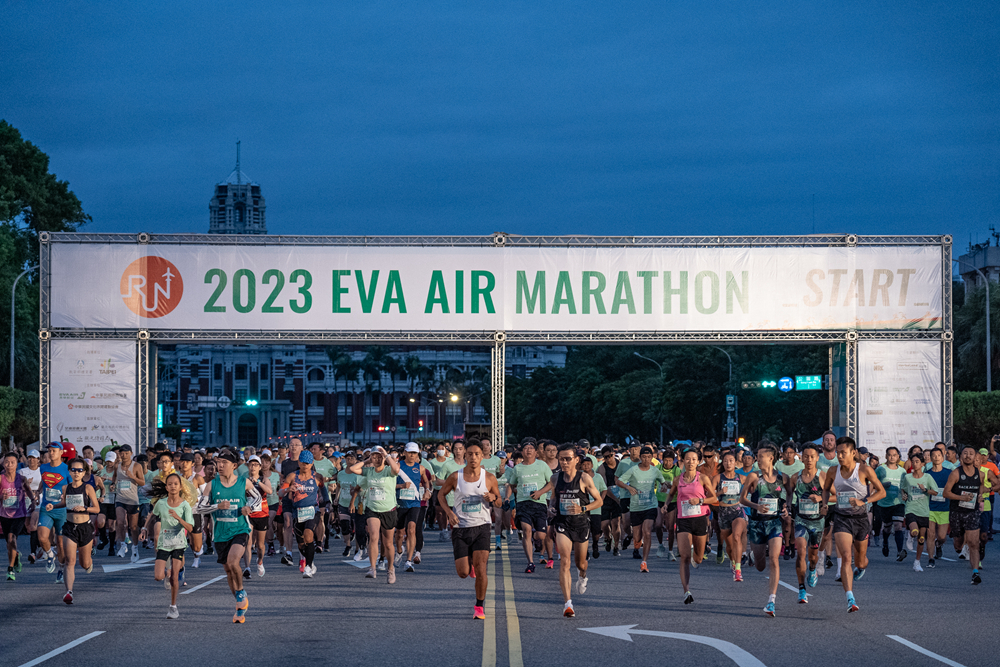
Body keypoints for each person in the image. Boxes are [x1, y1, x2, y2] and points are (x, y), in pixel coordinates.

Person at [532, 444, 602, 617]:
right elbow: (554, 500)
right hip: (563, 524)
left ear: (576, 460)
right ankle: (568, 604)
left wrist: (583, 509)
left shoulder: (584, 478)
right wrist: (551, 514)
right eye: (561, 459)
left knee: (581, 564)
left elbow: (599, 501)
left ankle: (583, 576)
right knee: (564, 561)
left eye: (568, 459)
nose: (564, 462)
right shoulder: (556, 479)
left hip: (581, 524)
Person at [438, 439, 501, 620]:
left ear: (482, 456)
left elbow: (499, 502)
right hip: (461, 528)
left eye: (476, 454)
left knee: (482, 569)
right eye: (470, 454)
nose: (473, 457)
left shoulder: (489, 478)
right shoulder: (455, 477)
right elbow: (441, 495)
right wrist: (449, 513)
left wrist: (492, 497)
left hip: (482, 526)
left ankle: (479, 606)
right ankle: (470, 563)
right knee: (463, 573)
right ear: (465, 455)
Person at [196, 449, 261, 623]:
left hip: (240, 529)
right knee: (228, 571)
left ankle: (241, 593)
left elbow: (258, 499)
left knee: (233, 562)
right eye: (218, 462)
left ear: (234, 466)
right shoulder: (212, 485)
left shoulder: (243, 482)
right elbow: (199, 508)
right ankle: (240, 607)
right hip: (220, 533)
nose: (220, 465)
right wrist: (217, 507)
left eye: (224, 463)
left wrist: (250, 508)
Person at [822, 436, 886, 612]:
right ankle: (850, 597)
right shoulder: (832, 471)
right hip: (842, 518)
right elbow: (826, 489)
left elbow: (882, 492)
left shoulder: (864, 470)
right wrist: (825, 504)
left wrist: (863, 501)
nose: (839, 456)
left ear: (853, 453)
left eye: (843, 453)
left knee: (860, 561)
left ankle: (861, 567)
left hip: (861, 520)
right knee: (845, 556)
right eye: (837, 453)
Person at [740, 444, 789, 616]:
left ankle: (771, 600)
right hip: (756, 524)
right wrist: (756, 506)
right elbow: (742, 498)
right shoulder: (754, 476)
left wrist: (786, 509)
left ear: (771, 458)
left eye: (760, 456)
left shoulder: (782, 478)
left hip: (774, 522)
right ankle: (755, 555)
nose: (757, 459)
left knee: (774, 559)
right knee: (760, 566)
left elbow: (787, 498)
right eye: (757, 456)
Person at [666, 448, 717, 605]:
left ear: (698, 461)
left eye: (694, 459)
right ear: (682, 461)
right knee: (685, 557)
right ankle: (686, 590)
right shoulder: (677, 479)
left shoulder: (702, 478)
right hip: (683, 520)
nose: (690, 462)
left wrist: (700, 501)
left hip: (700, 519)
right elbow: (671, 494)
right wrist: (666, 504)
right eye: (687, 459)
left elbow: (714, 497)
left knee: (699, 559)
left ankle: (697, 552)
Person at [942, 444, 1000, 584]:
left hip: (972, 511)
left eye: (971, 453)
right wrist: (962, 497)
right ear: (961, 456)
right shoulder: (956, 473)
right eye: (965, 453)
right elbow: (946, 493)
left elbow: (980, 486)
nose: (968, 455)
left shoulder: (980, 474)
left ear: (975, 457)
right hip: (957, 512)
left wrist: (980, 494)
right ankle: (959, 544)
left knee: (974, 543)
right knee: (958, 544)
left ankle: (975, 572)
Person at [141, 472, 195, 618]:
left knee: (174, 578)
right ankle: (167, 572)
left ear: (180, 487)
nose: (172, 486)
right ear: (166, 487)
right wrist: (144, 528)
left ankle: (173, 607)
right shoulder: (161, 503)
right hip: (164, 544)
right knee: (158, 576)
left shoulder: (185, 506)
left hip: (178, 544)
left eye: (175, 484)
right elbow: (152, 514)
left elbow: (190, 528)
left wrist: (178, 518)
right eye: (170, 484)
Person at [347, 446, 401, 582]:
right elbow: (353, 469)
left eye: (379, 456)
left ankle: (390, 569)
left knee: (388, 543)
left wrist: (386, 455)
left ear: (383, 458)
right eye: (374, 456)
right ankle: (372, 568)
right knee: (373, 536)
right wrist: (367, 461)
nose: (376, 459)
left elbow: (396, 469)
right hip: (372, 508)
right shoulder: (369, 471)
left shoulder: (389, 471)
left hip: (388, 509)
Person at [50, 458, 99, 605]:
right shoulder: (66, 488)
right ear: (69, 471)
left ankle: (89, 562)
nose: (76, 473)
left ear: (84, 472)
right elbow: (66, 503)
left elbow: (97, 508)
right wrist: (54, 506)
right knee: (69, 561)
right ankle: (69, 592)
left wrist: (84, 508)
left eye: (79, 470)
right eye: (73, 470)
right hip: (70, 527)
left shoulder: (87, 488)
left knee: (84, 564)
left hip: (85, 527)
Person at [504, 441, 555, 573]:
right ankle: (530, 563)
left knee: (541, 536)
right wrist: (506, 497)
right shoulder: (517, 468)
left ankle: (534, 534)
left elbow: (552, 482)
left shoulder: (542, 465)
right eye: (526, 448)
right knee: (526, 530)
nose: (528, 450)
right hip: (523, 503)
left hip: (539, 503)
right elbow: (511, 485)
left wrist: (540, 492)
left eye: (531, 448)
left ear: (536, 452)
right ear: (522, 452)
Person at [616, 446, 666, 572]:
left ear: (652, 458)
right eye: (644, 457)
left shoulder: (655, 470)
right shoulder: (633, 470)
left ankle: (644, 562)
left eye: (649, 457)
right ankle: (636, 540)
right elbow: (619, 481)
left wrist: (665, 486)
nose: (646, 459)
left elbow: (662, 482)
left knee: (647, 531)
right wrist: (628, 488)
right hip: (636, 506)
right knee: (637, 537)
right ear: (640, 457)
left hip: (650, 505)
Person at [789, 443, 826, 599]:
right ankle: (801, 588)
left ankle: (812, 569)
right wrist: (787, 506)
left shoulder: (822, 476)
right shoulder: (795, 477)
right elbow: (789, 495)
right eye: (806, 456)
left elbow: (835, 496)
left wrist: (820, 498)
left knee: (812, 556)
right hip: (801, 519)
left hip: (817, 521)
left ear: (817, 458)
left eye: (812, 456)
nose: (809, 459)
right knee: (801, 551)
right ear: (801, 457)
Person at [281, 450, 321, 578]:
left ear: (312, 463)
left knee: (308, 535)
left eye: (308, 464)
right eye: (303, 463)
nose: (305, 466)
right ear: (299, 462)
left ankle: (308, 567)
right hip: (298, 512)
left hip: (313, 511)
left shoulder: (317, 477)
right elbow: (280, 493)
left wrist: (327, 505)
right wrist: (288, 489)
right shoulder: (292, 476)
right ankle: (310, 560)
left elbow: (324, 492)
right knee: (301, 543)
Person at [899, 452, 938, 572]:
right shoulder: (907, 477)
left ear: (922, 464)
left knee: (921, 539)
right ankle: (910, 536)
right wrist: (904, 496)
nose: (915, 464)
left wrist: (925, 490)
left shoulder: (927, 477)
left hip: (924, 511)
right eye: (913, 462)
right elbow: (903, 489)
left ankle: (917, 562)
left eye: (917, 462)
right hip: (911, 509)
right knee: (914, 531)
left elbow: (935, 492)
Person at [36, 442, 70, 582]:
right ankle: (50, 555)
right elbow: (44, 482)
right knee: (42, 537)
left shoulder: (67, 470)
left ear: (61, 452)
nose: (51, 453)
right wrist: (38, 492)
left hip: (61, 510)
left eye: (54, 451)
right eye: (49, 451)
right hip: (46, 509)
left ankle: (61, 569)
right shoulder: (43, 467)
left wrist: (66, 496)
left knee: (60, 543)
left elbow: (71, 488)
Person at [712, 450, 746, 582]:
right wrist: (720, 491)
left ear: (735, 462)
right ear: (722, 462)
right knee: (730, 546)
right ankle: (733, 562)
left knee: (737, 536)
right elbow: (710, 497)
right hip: (723, 513)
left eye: (731, 460)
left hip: (737, 511)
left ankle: (738, 570)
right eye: (725, 461)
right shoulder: (717, 478)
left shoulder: (741, 478)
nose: (728, 463)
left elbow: (752, 489)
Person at [395, 443, 427, 572]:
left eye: (414, 453)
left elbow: (427, 482)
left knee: (412, 529)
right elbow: (389, 483)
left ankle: (408, 561)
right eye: (410, 452)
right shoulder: (398, 466)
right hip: (399, 503)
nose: (412, 455)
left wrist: (428, 491)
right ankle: (398, 551)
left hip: (414, 503)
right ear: (405, 453)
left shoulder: (421, 468)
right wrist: (401, 486)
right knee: (399, 533)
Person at [2, 452, 33, 581]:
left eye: (12, 462)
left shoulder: (21, 478)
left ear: (17, 464)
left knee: (11, 538)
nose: (9, 465)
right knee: (9, 543)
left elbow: (28, 490)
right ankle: (16, 556)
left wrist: (33, 501)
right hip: (4, 514)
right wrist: (1, 497)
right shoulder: (0, 478)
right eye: (7, 462)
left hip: (19, 514)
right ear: (3, 464)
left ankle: (10, 569)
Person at [112, 445, 145, 563]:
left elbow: (142, 482)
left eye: (126, 453)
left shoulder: (136, 466)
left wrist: (133, 477)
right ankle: (122, 545)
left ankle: (135, 548)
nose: (124, 455)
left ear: (131, 453)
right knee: (120, 523)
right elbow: (114, 478)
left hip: (132, 499)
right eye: (122, 453)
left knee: (133, 527)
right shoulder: (117, 466)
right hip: (120, 498)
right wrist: (112, 485)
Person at [875, 447, 907, 562]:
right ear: (886, 456)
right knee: (887, 527)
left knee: (898, 526)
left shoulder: (902, 471)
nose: (892, 457)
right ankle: (885, 542)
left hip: (898, 502)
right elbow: (873, 484)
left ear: (898, 457)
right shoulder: (880, 469)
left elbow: (905, 486)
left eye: (894, 455)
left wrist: (905, 495)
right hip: (884, 503)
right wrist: (883, 486)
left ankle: (899, 551)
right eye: (890, 455)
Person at [245, 456, 273, 578]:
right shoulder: (244, 480)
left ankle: (260, 561)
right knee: (248, 541)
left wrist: (257, 482)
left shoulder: (264, 479)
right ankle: (247, 568)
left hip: (262, 514)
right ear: (248, 466)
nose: (253, 467)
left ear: (260, 467)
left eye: (256, 465)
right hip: (249, 514)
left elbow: (270, 491)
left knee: (260, 545)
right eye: (251, 464)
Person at [596, 445, 623, 556]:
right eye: (606, 457)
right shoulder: (601, 468)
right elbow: (604, 487)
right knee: (604, 525)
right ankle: (608, 538)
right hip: (607, 497)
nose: (608, 459)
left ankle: (616, 546)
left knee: (616, 523)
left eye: (610, 456)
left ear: (613, 453)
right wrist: (614, 498)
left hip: (619, 496)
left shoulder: (621, 465)